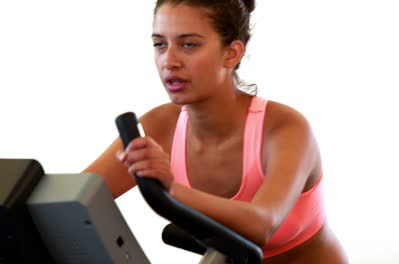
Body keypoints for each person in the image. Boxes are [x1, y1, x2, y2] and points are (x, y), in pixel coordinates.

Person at [83, 0, 348, 263]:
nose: (169, 60)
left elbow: (262, 224)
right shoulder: (160, 126)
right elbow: (70, 198)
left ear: (231, 53)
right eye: (160, 44)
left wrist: (171, 189)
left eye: (189, 44)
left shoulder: (286, 129)